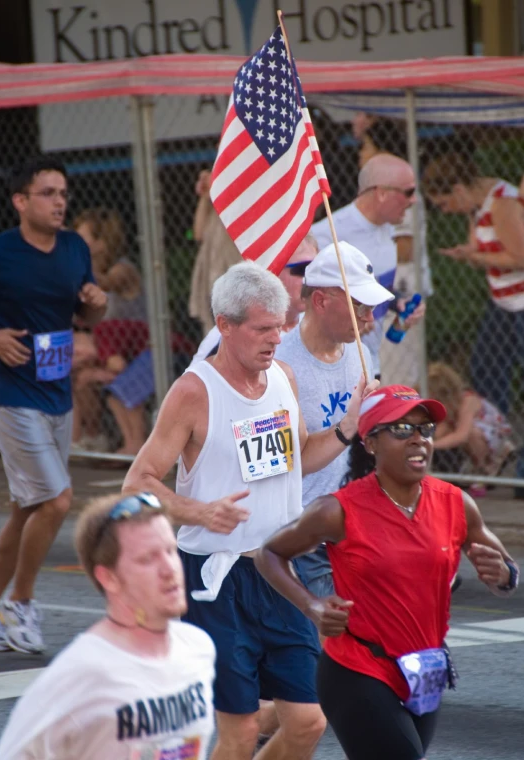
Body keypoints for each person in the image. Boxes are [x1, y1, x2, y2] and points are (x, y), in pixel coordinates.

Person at [123, 260, 377, 760]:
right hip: (215, 581)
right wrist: (198, 512)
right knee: (238, 733)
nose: (276, 340)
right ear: (225, 325)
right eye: (262, 329)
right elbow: (140, 480)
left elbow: (297, 459)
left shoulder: (282, 377)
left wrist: (348, 426)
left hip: (277, 568)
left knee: (308, 720)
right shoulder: (194, 392)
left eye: (280, 327)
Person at [255, 384, 519, 760]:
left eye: (425, 430)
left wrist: (504, 576)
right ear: (371, 442)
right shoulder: (336, 510)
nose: (418, 439)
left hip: (424, 670)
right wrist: (311, 606)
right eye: (401, 429)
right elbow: (270, 553)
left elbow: (507, 572)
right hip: (358, 669)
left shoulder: (456, 504)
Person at [0, 491, 216, 759]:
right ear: (108, 578)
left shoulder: (197, 649)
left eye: (170, 550)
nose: (170, 568)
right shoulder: (80, 677)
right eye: (148, 559)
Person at [0, 156, 107, 655]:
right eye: (47, 193)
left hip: (57, 391)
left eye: (63, 192)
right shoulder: (2, 252)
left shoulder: (74, 248)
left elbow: (82, 311)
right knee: (58, 499)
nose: (60, 201)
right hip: (12, 392)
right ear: (21, 201)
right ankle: (20, 602)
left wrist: (95, 303)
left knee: (28, 509)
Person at [276, 241, 393, 599]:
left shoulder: (361, 355)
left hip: (350, 520)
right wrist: (350, 424)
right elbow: (290, 463)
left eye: (372, 308)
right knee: (329, 633)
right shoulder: (279, 364)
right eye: (360, 307)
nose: (369, 321)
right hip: (301, 526)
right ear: (321, 301)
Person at [422, 152, 524, 497]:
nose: (444, 211)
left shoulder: (503, 203)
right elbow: (486, 246)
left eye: (443, 203)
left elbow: (521, 257)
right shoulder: (479, 205)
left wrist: (476, 257)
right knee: (484, 371)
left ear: (458, 188)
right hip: (503, 302)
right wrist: (469, 251)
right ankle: (492, 451)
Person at [312, 153, 426, 379]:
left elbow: (372, 286)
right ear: (382, 193)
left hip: (370, 363)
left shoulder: (388, 227)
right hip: (333, 366)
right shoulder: (327, 235)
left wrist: (398, 303)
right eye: (408, 192)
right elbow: (307, 302)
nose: (414, 200)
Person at [356, 118, 433, 387]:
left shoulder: (401, 194)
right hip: (384, 297)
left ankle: (405, 425)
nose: (360, 154)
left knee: (398, 374)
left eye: (366, 147)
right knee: (382, 368)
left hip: (402, 295)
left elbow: (405, 249)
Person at [72, 207, 149, 455]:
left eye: (82, 238)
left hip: (134, 350)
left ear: (102, 242)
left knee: (84, 367)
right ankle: (93, 436)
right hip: (109, 349)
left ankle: (124, 441)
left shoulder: (123, 269)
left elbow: (103, 283)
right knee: (76, 371)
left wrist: (75, 260)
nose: (76, 242)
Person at [190, 233, 319, 364]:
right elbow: (194, 381)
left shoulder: (320, 327)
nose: (311, 279)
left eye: (315, 269)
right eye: (302, 269)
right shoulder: (233, 330)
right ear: (273, 270)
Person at [428, 361, 515, 494]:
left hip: (494, 437)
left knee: (471, 433)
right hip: (475, 436)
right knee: (444, 429)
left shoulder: (468, 401)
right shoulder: (450, 408)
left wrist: (431, 445)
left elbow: (461, 435)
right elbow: (441, 431)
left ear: (447, 395)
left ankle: (484, 470)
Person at [189, 168, 242, 336]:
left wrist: (219, 185)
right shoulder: (216, 196)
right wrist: (206, 197)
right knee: (214, 331)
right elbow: (198, 233)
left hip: (237, 273)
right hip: (214, 274)